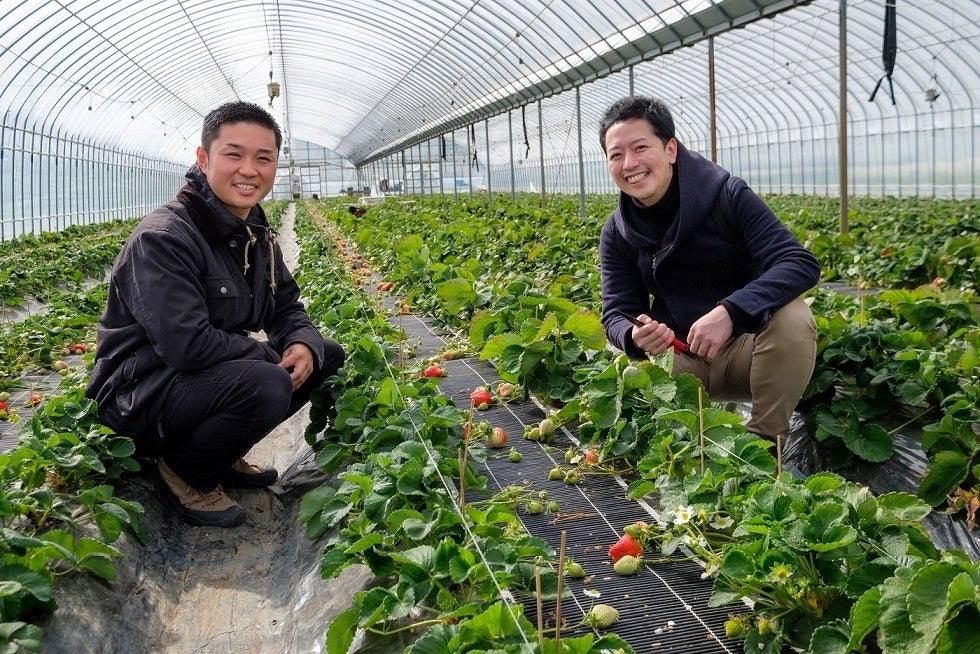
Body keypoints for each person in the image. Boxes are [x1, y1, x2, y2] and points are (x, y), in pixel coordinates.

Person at [87, 101, 345, 528]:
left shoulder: (254, 232)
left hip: (195, 384)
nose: (249, 169)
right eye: (234, 154)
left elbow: (286, 307)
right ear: (203, 159)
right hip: (141, 394)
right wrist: (263, 356)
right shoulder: (164, 238)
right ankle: (187, 471)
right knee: (266, 381)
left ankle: (219, 454)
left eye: (263, 158)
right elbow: (186, 347)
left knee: (323, 354)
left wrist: (300, 342)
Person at [598, 95, 819, 444]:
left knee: (794, 317)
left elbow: (799, 262)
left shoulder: (727, 196)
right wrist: (633, 335)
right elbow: (616, 313)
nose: (629, 163)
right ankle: (689, 451)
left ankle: (764, 444)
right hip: (682, 360)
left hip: (750, 351)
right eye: (616, 155)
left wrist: (731, 312)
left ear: (670, 150)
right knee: (628, 380)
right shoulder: (617, 231)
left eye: (640, 147)